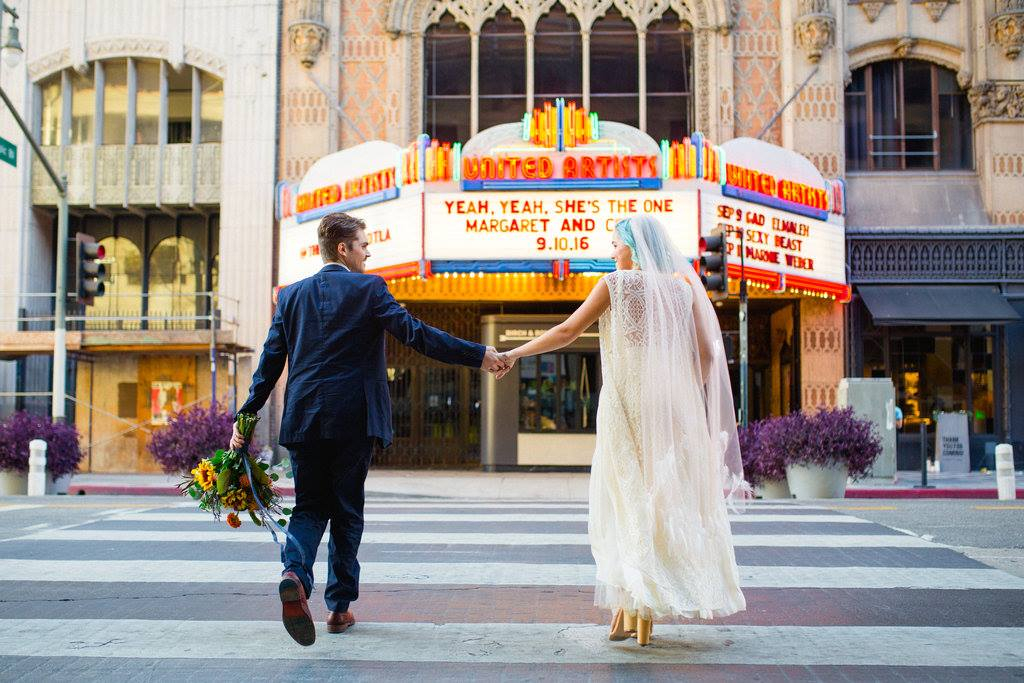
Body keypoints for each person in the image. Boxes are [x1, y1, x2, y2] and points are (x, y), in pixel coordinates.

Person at [231, 212, 509, 646]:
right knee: (346, 512)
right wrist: (479, 355)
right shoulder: (370, 289)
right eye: (363, 244)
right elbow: (416, 335)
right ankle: (339, 609)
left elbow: (268, 366)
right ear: (342, 248)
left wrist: (244, 420)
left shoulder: (290, 297)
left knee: (307, 509)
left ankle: (294, 574)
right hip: (355, 421)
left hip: (303, 419)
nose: (368, 251)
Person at [495, 215, 749, 646]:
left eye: (615, 243)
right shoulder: (682, 290)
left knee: (625, 501)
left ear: (632, 246)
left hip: (626, 405)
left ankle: (637, 605)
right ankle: (634, 608)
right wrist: (686, 394)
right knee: (661, 498)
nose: (611, 252)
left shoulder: (615, 286)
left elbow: (566, 331)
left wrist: (515, 353)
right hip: (669, 408)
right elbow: (708, 353)